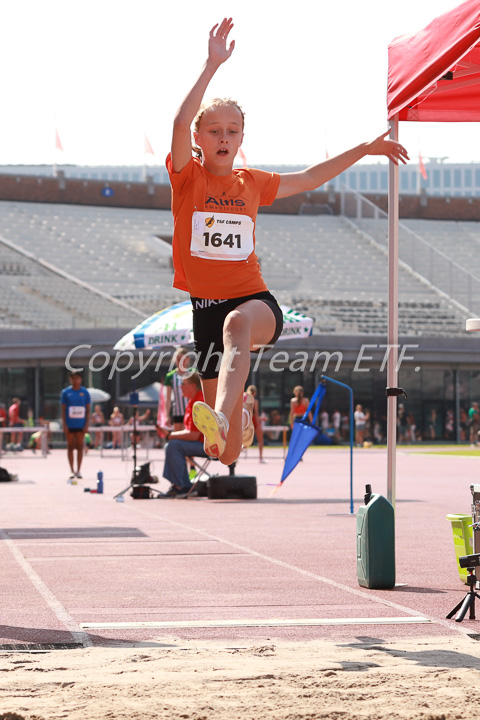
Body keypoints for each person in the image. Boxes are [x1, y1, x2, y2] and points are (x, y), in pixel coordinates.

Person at [168, 18, 408, 466]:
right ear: (199, 140)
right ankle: (233, 422)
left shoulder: (253, 182)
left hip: (253, 302)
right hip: (204, 309)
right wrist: (211, 65)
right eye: (214, 130)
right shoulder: (188, 179)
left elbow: (312, 177)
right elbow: (180, 121)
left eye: (232, 130)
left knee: (237, 324)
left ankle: (222, 414)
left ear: (242, 138)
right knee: (223, 455)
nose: (224, 137)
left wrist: (364, 148)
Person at [157, 371, 207, 498]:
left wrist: (171, 435)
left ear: (193, 386)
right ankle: (183, 485)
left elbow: (193, 435)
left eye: (183, 384)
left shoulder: (198, 403)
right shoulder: (192, 401)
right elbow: (191, 432)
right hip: (200, 443)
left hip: (207, 445)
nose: (180, 387)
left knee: (173, 445)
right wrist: (171, 433)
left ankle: (180, 486)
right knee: (173, 445)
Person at [61, 372, 91, 480]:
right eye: (73, 378)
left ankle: (78, 470)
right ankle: (71, 470)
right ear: (70, 379)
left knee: (79, 447)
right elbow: (63, 410)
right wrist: (64, 424)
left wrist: (87, 424)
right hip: (69, 424)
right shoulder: (65, 392)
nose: (75, 380)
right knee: (70, 447)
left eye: (77, 378)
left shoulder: (85, 392)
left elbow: (88, 410)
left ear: (81, 379)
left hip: (81, 424)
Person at [164, 347, 191, 432]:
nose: (181, 362)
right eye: (179, 359)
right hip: (178, 412)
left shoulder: (193, 374)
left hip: (192, 412)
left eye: (183, 359)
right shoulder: (170, 376)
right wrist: (166, 415)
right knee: (179, 437)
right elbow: (168, 398)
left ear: (188, 359)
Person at [245, 385, 265, 463]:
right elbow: (255, 414)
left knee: (241, 439)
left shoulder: (243, 398)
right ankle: (260, 458)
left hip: (245, 419)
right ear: (255, 393)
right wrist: (258, 424)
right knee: (260, 440)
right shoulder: (254, 401)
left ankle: (235, 458)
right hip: (252, 420)